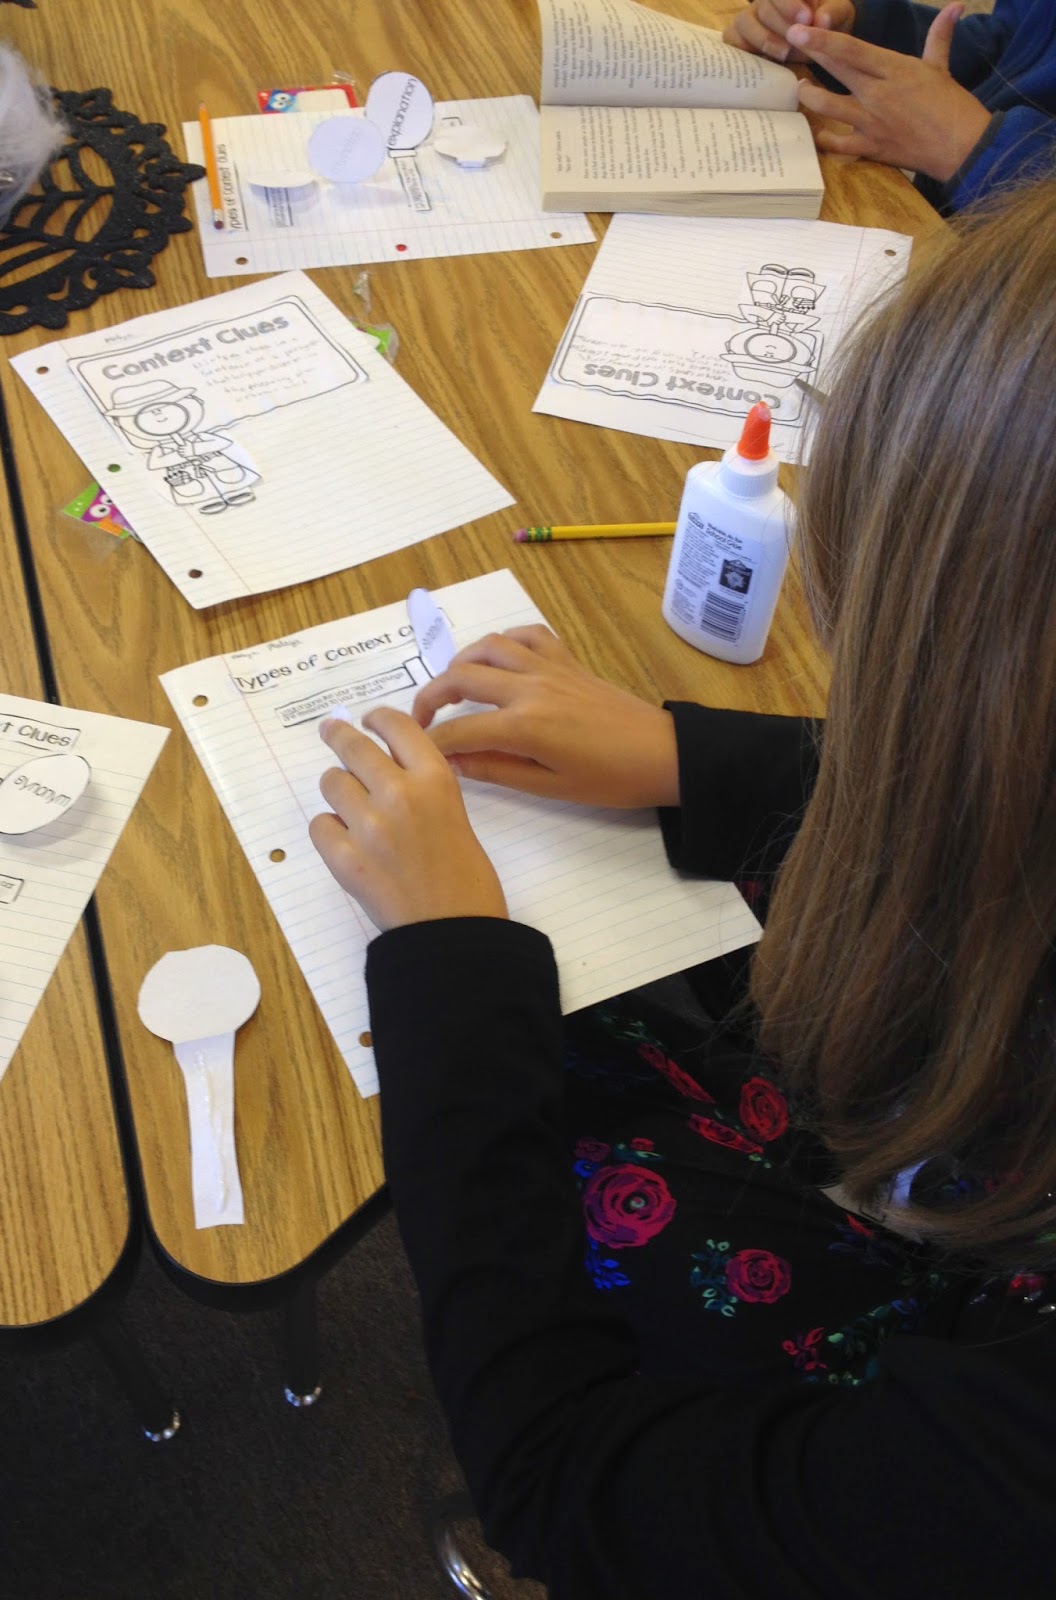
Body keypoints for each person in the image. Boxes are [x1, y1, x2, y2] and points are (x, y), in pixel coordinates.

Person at [309, 180, 1056, 1596]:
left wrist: (451, 955)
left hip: (902, 1362)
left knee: (593, 1097)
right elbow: (986, 786)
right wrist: (685, 754)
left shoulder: (1010, 1474)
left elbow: (561, 1479)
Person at [723, 0, 1056, 212]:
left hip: (1008, 273)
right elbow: (1015, 48)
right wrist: (858, 33)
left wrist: (980, 150)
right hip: (935, 221)